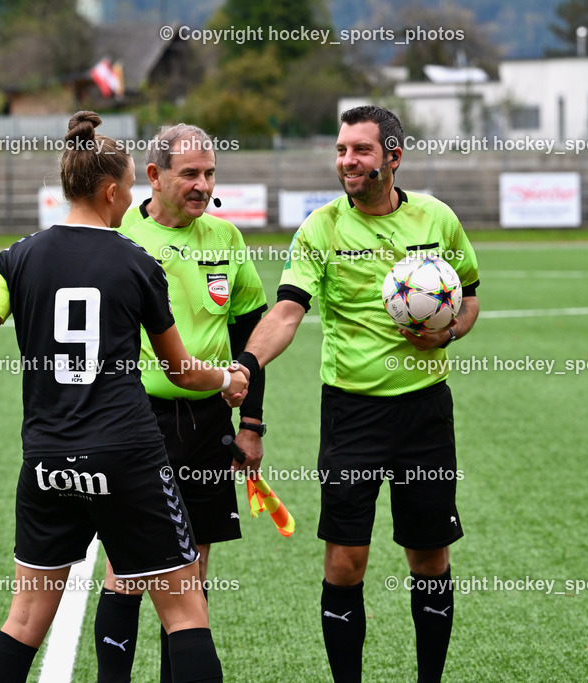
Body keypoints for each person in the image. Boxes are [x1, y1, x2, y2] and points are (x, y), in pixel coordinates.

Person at [0, 111, 245, 682]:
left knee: (22, 621)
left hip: (47, 459)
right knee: (186, 609)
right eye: (130, 191)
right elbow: (182, 371)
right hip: (128, 454)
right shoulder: (137, 261)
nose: (130, 201)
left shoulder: (17, 259)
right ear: (112, 189)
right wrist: (227, 380)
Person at [236, 105, 479, 682]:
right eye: (342, 149)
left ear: (392, 157)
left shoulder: (436, 219)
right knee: (346, 561)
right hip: (352, 412)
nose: (347, 160)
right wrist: (247, 362)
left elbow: (468, 297)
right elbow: (289, 310)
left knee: (430, 557)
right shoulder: (321, 227)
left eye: (360, 150)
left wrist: (448, 330)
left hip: (425, 410)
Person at [94, 123, 268, 682]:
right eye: (189, 173)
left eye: (210, 173)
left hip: (209, 422)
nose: (202, 185)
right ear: (154, 176)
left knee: (192, 567)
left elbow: (250, 333)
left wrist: (252, 424)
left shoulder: (225, 237)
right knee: (127, 567)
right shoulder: (119, 236)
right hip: (135, 420)